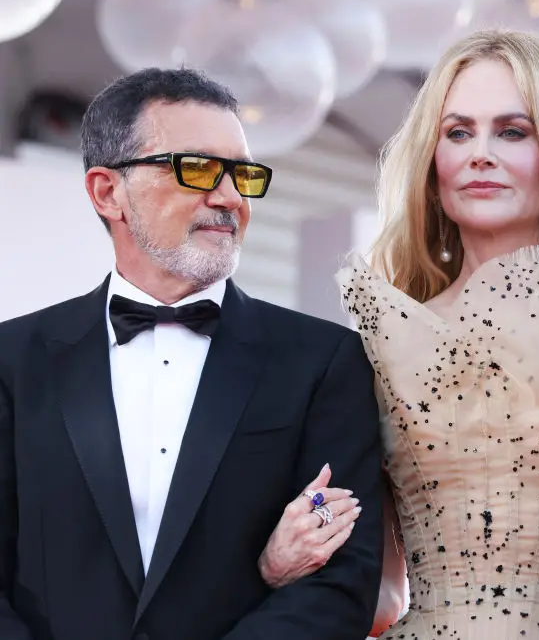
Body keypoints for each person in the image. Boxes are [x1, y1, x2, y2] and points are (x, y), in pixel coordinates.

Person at [257, 28, 539, 639]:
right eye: (458, 132)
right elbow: (382, 595)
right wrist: (279, 564)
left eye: (511, 131)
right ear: (432, 161)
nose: (480, 153)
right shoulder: (382, 336)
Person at [0, 68, 384, 640]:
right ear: (109, 192)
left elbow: (341, 585)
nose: (229, 197)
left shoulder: (325, 362)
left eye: (243, 174)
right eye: (198, 168)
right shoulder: (12, 360)